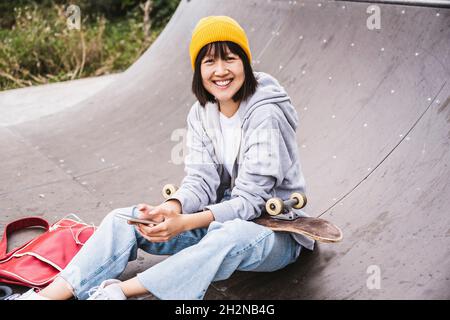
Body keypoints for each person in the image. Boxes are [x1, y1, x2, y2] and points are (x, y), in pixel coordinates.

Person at [15, 15, 314, 300]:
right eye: (209, 61)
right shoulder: (201, 113)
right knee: (124, 219)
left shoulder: (266, 113)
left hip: (274, 233)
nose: (220, 71)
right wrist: (170, 209)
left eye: (229, 58)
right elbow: (201, 181)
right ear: (198, 70)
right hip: (218, 222)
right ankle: (51, 294)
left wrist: (184, 223)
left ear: (245, 63)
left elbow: (250, 202)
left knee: (230, 234)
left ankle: (118, 290)